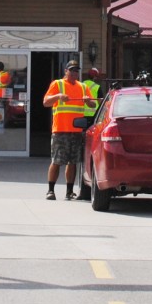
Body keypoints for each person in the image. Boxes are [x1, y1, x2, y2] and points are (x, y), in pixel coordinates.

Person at [42, 59, 96, 200]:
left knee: (72, 162)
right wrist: (58, 96)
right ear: (66, 71)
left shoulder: (83, 87)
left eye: (76, 71)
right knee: (56, 160)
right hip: (60, 130)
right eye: (71, 70)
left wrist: (87, 101)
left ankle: (69, 192)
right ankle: (50, 190)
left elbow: (92, 105)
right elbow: (46, 102)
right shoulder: (58, 84)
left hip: (76, 131)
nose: (74, 73)